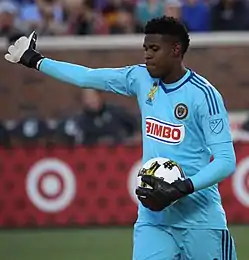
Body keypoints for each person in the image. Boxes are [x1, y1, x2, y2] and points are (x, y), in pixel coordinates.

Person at [4, 16, 237, 260]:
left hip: (199, 218)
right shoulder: (140, 78)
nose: (147, 55)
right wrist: (35, 60)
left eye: (154, 49)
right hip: (154, 217)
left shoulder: (203, 95)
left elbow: (225, 161)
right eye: (146, 48)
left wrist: (182, 188)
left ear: (176, 50)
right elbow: (87, 77)